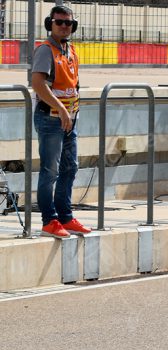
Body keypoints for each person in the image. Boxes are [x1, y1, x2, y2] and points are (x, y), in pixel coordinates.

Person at [31, 5, 90, 238]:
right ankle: (49, 221)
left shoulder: (71, 50)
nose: (64, 26)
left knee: (70, 167)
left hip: (69, 119)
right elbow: (38, 84)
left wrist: (72, 111)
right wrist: (61, 110)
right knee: (50, 171)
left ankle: (65, 216)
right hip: (51, 119)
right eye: (59, 22)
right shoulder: (45, 51)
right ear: (50, 24)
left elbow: (71, 85)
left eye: (68, 23)